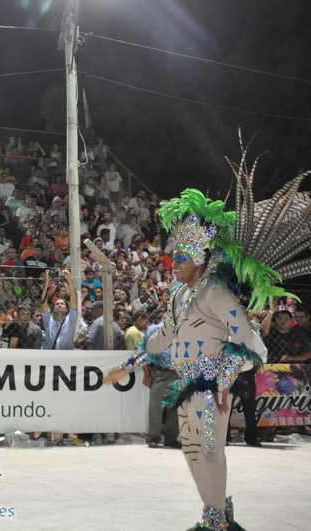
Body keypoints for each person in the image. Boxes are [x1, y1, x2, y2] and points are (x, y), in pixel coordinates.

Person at [103, 203, 264, 531]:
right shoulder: (179, 296)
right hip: (185, 383)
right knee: (192, 451)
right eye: (173, 256)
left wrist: (224, 380)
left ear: (199, 260)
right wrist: (127, 366)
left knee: (209, 451)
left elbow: (246, 339)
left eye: (180, 258)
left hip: (211, 386)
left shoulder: (217, 293)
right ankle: (215, 514)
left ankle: (217, 519)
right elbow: (160, 340)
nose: (173, 263)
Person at [41, 270, 80, 350]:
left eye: (62, 304)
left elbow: (74, 299)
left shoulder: (71, 320)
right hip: (50, 354)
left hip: (67, 355)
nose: (59, 305)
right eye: (57, 304)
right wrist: (47, 282)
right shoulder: (48, 321)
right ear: (53, 309)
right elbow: (43, 303)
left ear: (66, 309)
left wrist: (69, 279)